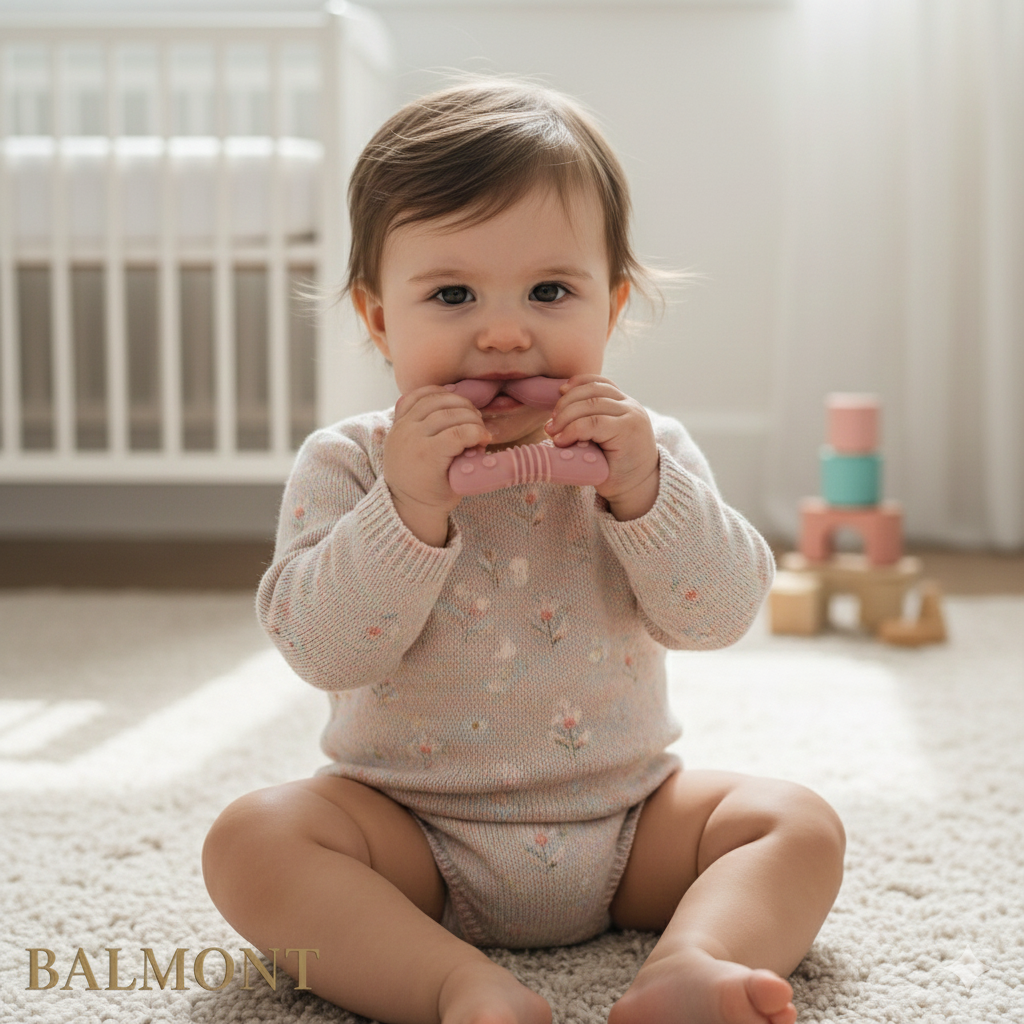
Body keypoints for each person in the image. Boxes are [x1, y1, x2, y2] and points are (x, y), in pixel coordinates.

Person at [202, 79, 845, 1024]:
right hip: (408, 833)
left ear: (613, 305)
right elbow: (325, 651)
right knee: (252, 841)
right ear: (380, 319)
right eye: (452, 293)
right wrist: (408, 507)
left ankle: (689, 964)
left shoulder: (644, 449)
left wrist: (644, 494)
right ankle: (456, 986)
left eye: (550, 291)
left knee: (798, 824)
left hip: (629, 822)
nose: (504, 333)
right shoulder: (349, 462)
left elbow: (718, 617)